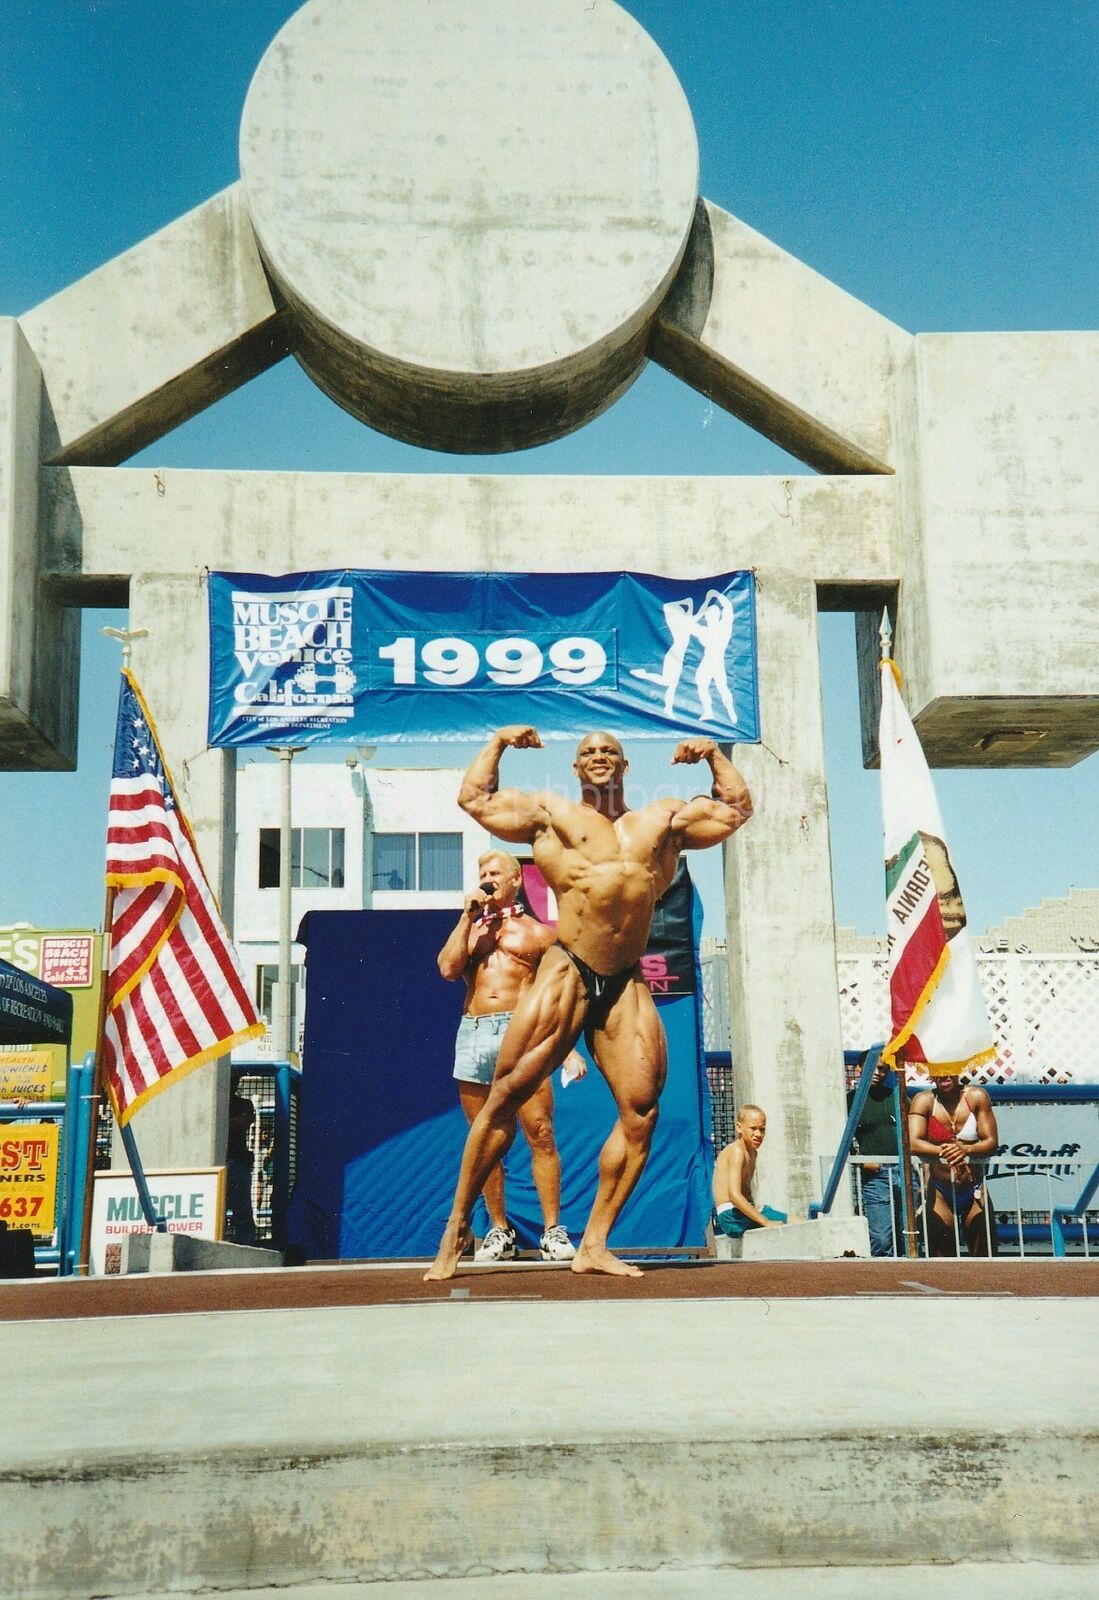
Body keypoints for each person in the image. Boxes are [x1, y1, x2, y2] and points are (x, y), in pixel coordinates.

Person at [425, 725, 752, 1280]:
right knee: (505, 1096)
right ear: (576, 770)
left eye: (609, 752)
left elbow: (736, 810)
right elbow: (473, 799)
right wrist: (500, 743)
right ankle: (458, 1226)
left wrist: (716, 756)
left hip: (625, 979)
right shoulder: (552, 816)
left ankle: (594, 1243)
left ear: (625, 767)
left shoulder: (662, 820)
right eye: (588, 754)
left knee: (643, 1111)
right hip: (568, 969)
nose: (599, 758)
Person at [437, 847, 585, 1263]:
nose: (488, 876)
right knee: (484, 1138)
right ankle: (499, 1230)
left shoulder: (538, 934)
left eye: (496, 871)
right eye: (483, 871)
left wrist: (567, 1047)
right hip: (475, 1032)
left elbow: (559, 995)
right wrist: (467, 917)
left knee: (539, 1132)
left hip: (521, 1034)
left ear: (516, 880)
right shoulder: (471, 929)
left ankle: (553, 1231)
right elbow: (448, 969)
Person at [908, 1072, 999, 1256]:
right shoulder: (924, 1100)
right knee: (942, 1260)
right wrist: (944, 1151)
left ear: (958, 1070)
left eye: (949, 1069)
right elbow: (913, 1142)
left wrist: (966, 1149)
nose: (944, 1075)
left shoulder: (976, 1096)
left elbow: (991, 1142)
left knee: (984, 1255)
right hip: (941, 1189)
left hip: (973, 1187)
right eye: (939, 1070)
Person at [847, 1055, 905, 1256]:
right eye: (874, 1068)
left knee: (909, 1236)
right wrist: (862, 1162)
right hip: (876, 1176)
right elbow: (840, 1139)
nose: (878, 1073)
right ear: (860, 1068)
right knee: (881, 1239)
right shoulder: (849, 1101)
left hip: (905, 1173)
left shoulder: (896, 1096)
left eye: (883, 1069)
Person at [712, 1105, 796, 1237]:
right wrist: (765, 1222)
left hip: (741, 1213)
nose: (758, 1134)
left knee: (798, 1222)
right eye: (753, 1129)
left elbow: (746, 1193)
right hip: (731, 1216)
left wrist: (758, 1210)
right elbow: (734, 1195)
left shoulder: (753, 1153)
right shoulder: (736, 1151)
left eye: (762, 1129)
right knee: (789, 1226)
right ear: (739, 1127)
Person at [225, 1087, 257, 1246]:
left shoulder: (244, 1104)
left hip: (236, 1160)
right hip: (222, 1160)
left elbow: (244, 1121)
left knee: (242, 1205)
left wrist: (223, 1122)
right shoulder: (239, 1105)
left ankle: (246, 1242)